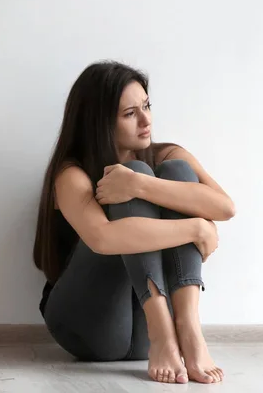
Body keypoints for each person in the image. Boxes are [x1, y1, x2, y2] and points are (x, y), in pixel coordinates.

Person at [33, 61, 235, 384]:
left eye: (147, 106)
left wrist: (141, 186)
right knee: (134, 177)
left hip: (144, 330)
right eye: (130, 114)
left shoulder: (167, 154)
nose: (146, 120)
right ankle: (163, 332)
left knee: (176, 175)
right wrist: (197, 228)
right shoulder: (71, 174)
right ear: (99, 122)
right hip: (86, 325)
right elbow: (103, 239)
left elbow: (225, 207)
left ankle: (188, 329)